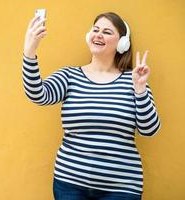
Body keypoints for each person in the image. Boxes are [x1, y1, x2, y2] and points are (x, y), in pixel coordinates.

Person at [22, 11, 161, 200]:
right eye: (95, 30)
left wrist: (140, 89)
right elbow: (38, 94)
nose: (98, 34)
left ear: (122, 43)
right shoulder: (69, 76)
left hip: (122, 188)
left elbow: (149, 129)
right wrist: (29, 53)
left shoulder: (134, 80)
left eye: (107, 31)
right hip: (69, 184)